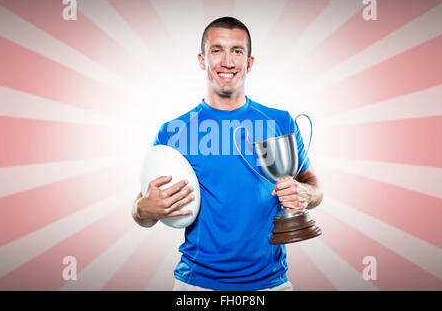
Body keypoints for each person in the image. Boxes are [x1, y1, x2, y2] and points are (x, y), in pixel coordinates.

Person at [132, 17, 323, 291]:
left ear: (250, 62)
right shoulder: (173, 131)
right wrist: (143, 209)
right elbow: (141, 207)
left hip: (271, 284)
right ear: (202, 59)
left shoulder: (280, 122)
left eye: (237, 51)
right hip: (196, 285)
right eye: (217, 50)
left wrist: (306, 195)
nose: (228, 62)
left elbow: (313, 185)